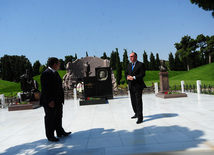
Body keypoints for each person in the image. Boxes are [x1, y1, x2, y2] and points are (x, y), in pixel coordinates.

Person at [40, 57, 71, 142]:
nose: (59, 65)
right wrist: (50, 100)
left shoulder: (55, 73)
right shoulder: (46, 74)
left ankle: (60, 131)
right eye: (58, 63)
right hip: (50, 101)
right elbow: (45, 89)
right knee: (50, 118)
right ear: (54, 64)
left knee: (58, 116)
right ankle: (50, 135)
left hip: (58, 100)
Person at [126, 52, 146, 124]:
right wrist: (128, 77)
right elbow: (127, 73)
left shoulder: (140, 65)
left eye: (132, 56)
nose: (130, 58)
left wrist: (134, 77)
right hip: (131, 86)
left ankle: (140, 117)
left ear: (136, 57)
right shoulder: (129, 65)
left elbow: (142, 74)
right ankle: (136, 113)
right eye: (130, 57)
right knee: (133, 100)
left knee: (138, 101)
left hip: (138, 85)